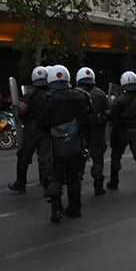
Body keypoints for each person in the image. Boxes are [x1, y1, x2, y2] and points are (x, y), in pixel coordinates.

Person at [40, 65, 93, 222]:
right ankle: (75, 208)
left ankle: (56, 209)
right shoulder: (81, 95)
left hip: (55, 143)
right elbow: (91, 118)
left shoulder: (47, 98)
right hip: (77, 141)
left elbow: (41, 122)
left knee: (55, 176)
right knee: (74, 177)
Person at [107, 71, 136, 192]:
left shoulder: (118, 100)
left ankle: (114, 182)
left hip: (121, 132)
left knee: (116, 157)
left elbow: (112, 115)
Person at [10, 66, 52, 196]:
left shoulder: (30, 94)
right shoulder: (51, 93)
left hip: (32, 129)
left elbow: (22, 109)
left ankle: (20, 183)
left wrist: (15, 108)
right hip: (46, 128)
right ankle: (47, 185)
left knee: (23, 157)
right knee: (45, 157)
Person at [75, 66, 109, 195]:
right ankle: (98, 186)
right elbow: (108, 112)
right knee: (98, 159)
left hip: (79, 133)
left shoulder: (74, 94)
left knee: (79, 161)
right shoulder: (100, 93)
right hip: (97, 132)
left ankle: (76, 187)